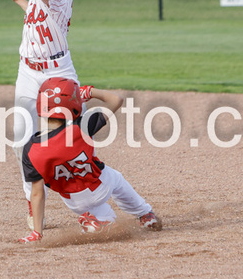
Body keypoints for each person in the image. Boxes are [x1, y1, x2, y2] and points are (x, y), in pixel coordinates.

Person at [18, 77, 161, 243]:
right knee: (116, 178)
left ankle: (98, 221)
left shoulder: (30, 148)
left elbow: (37, 193)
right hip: (99, 185)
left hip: (74, 202)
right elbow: (117, 100)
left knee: (105, 217)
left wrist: (37, 232)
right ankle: (145, 214)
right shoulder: (82, 126)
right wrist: (89, 92)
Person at [8, 0, 86, 230]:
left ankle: (88, 202)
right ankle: (33, 204)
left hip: (58, 72)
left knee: (72, 140)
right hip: (28, 72)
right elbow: (37, 8)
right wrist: (18, 0)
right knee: (20, 141)